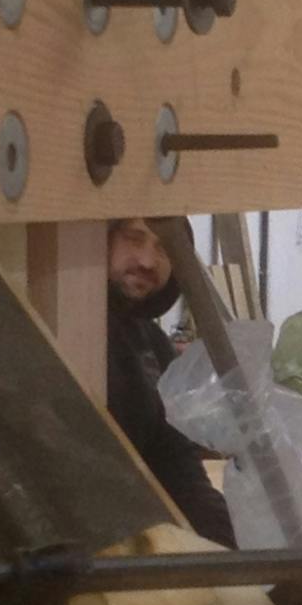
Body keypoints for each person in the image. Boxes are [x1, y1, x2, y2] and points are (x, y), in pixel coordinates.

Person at [105, 217, 236, 545]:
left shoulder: (152, 344)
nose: (147, 261)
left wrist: (230, 551)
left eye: (163, 248)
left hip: (143, 541)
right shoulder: (72, 331)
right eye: (134, 239)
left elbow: (178, 466)